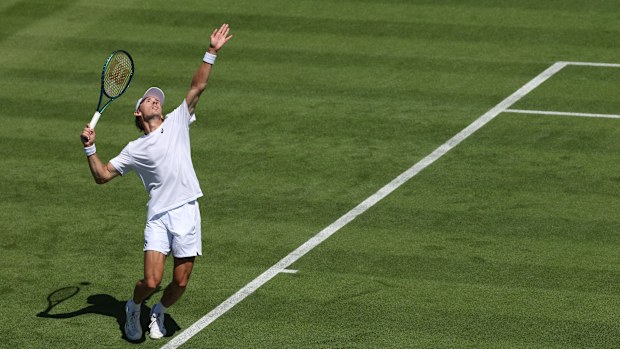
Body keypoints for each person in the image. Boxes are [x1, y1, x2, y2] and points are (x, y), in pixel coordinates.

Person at [80, 24, 232, 341]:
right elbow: (102, 176)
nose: (155, 101)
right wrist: (90, 148)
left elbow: (197, 87)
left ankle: (159, 312)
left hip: (187, 209)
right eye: (148, 99)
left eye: (157, 99)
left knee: (180, 282)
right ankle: (134, 307)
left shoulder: (177, 121)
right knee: (150, 281)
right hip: (159, 216)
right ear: (138, 113)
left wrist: (212, 52)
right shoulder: (134, 150)